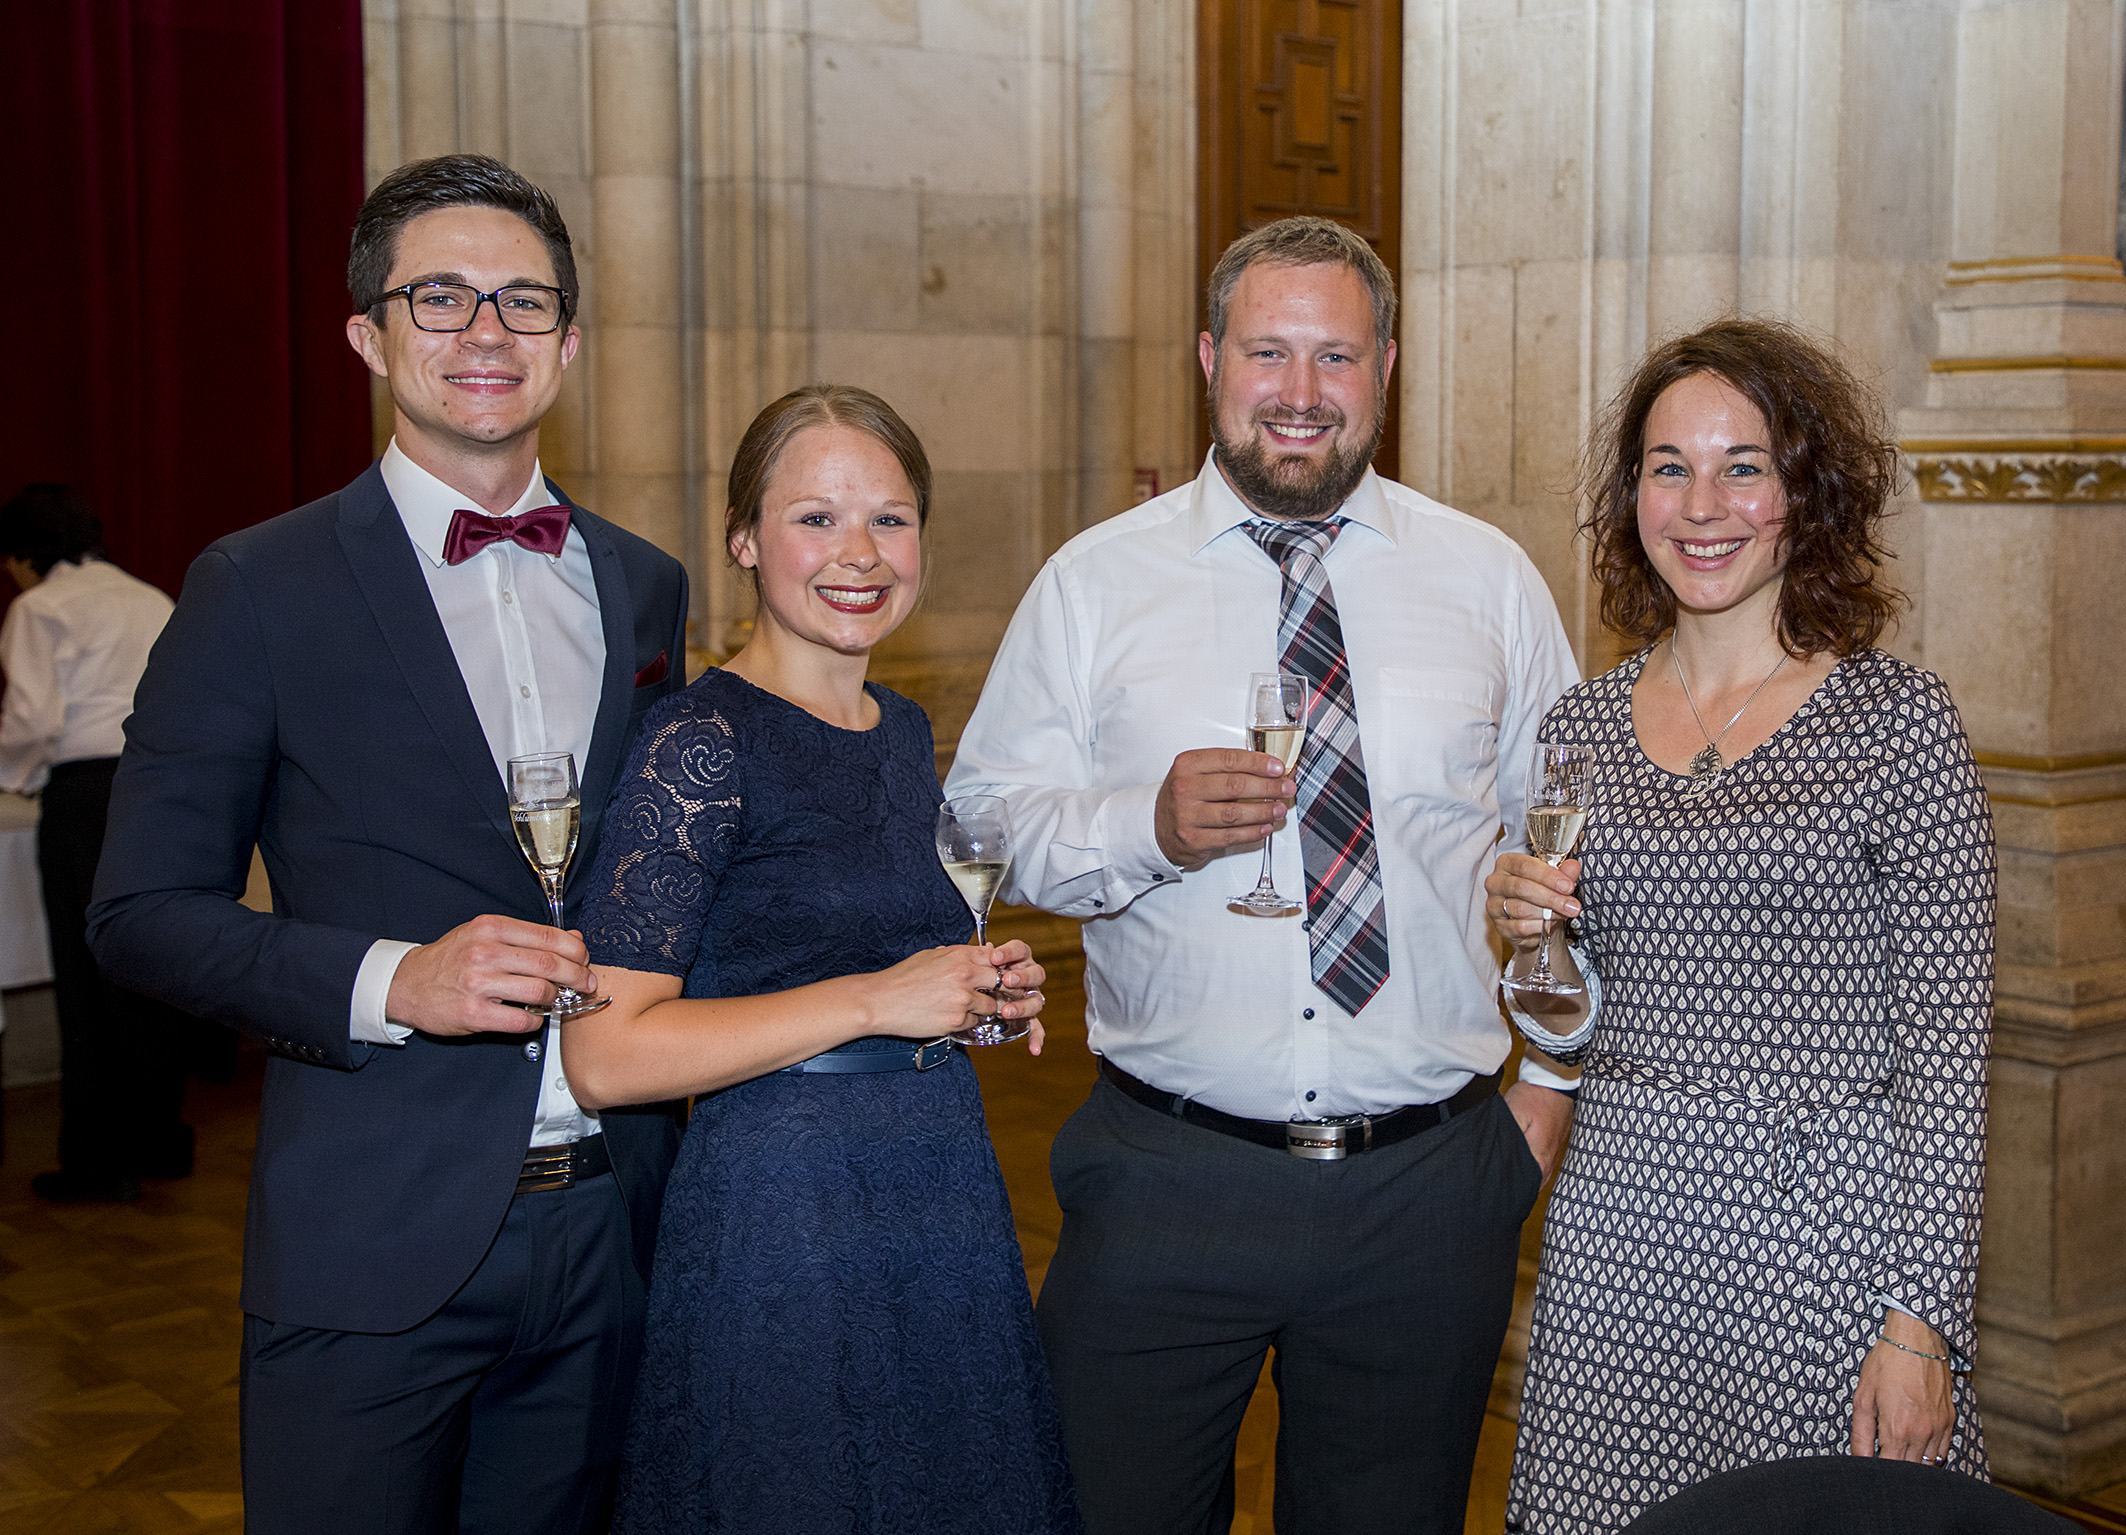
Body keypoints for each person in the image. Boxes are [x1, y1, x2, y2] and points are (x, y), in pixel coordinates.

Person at [945, 215, 1582, 1533]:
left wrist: (1549, 1086)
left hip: (1426, 1188)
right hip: (1164, 1177)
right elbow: (983, 819)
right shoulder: (1092, 584)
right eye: (1266, 351)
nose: (1299, 390)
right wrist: (1147, 825)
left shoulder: (1489, 581)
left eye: (1335, 355)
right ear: (1207, 359)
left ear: (1385, 367)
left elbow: (1575, 846)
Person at [86, 154, 689, 1534]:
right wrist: (391, 980)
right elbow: (141, 911)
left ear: (569, 341)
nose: (486, 329)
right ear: (367, 335)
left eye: (523, 300)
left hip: (614, 1226)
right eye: (440, 296)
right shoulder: (257, 585)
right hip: (369, 1235)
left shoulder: (643, 582)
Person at [1484, 318, 1995, 1534]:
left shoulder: (1897, 724)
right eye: (1668, 467)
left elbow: (1948, 1057)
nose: (1701, 504)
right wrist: (1525, 933)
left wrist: (1919, 1325)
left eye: (1741, 466)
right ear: (1631, 496)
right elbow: (1570, 1014)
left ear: (1801, 491)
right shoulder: (1579, 725)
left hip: (1820, 1249)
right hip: (1619, 1233)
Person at [558, 383, 1080, 1534]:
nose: (859, 553)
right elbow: (604, 1053)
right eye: (815, 518)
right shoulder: (700, 741)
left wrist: (968, 995)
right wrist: (876, 998)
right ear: (743, 539)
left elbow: (866, 962)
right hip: (782, 1213)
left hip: (938, 1192)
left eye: (890, 518)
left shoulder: (899, 729)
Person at [0, 483, 192, 1202]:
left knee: (87, 978)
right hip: (160, 792)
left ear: (25, 553)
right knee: (155, 964)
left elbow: (33, 722)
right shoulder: (150, 598)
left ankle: (97, 1163)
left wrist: (13, 777)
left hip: (84, 798)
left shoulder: (40, 608)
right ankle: (161, 1139)